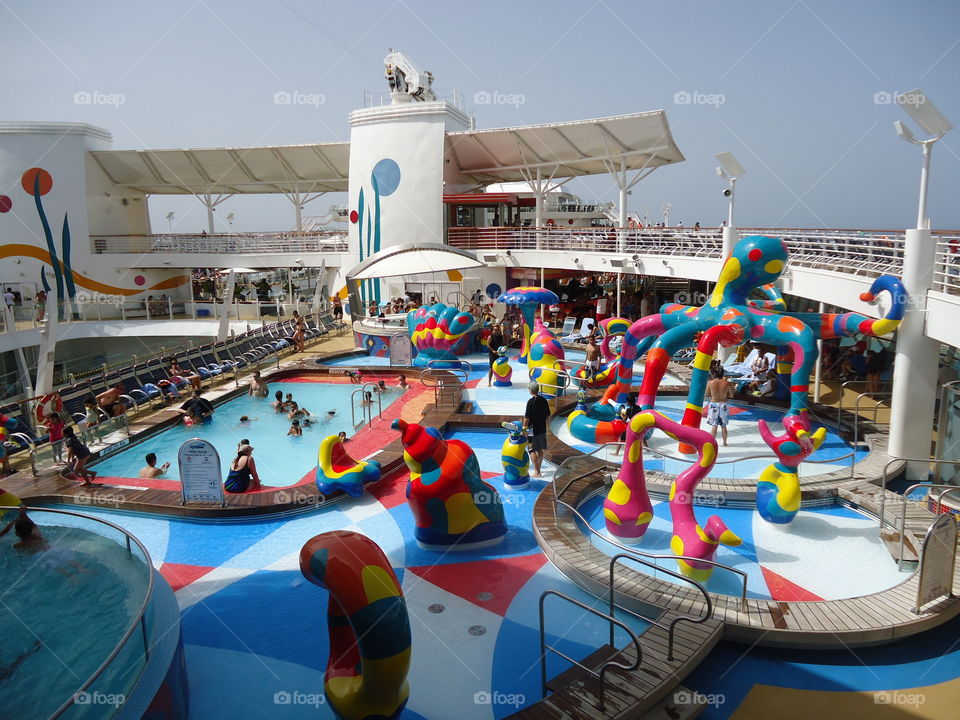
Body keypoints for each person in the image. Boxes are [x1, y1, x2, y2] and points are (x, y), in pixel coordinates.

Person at [522, 382, 550, 478]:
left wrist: (523, 429)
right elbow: (548, 415)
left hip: (532, 431)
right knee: (539, 449)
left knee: (531, 450)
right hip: (542, 428)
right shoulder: (544, 400)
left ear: (530, 390)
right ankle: (538, 469)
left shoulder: (530, 402)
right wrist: (545, 425)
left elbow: (527, 418)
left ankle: (537, 472)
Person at [705, 367, 735, 447]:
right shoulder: (727, 383)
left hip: (713, 404)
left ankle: (712, 443)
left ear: (713, 374)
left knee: (714, 426)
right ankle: (725, 442)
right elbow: (732, 395)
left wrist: (713, 394)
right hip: (723, 404)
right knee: (723, 426)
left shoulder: (710, 382)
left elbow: (706, 394)